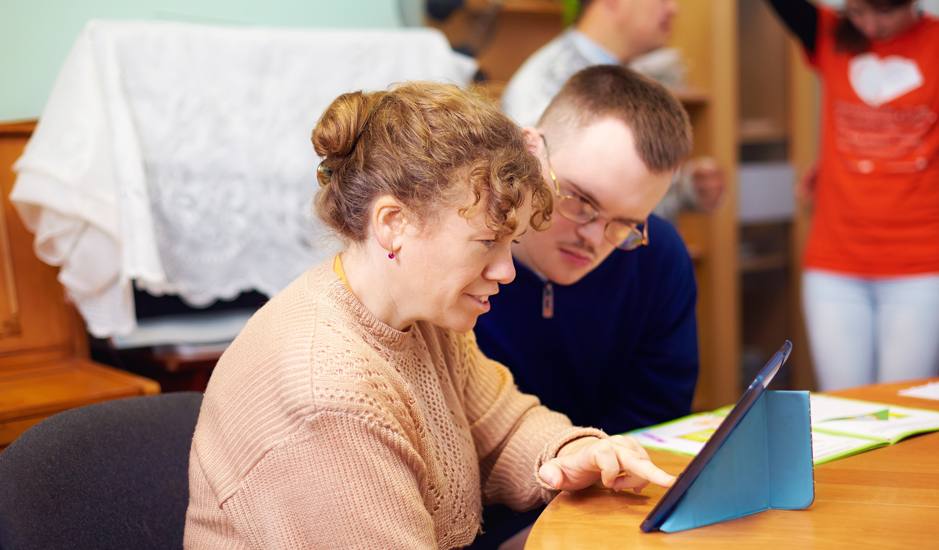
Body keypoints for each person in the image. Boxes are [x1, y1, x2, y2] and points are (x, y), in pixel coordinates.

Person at [183, 81, 676, 549]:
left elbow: (503, 428)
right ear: (394, 223)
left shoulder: (421, 317)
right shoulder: (327, 397)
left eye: (512, 243)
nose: (506, 271)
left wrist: (571, 453)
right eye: (487, 242)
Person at [758, 0, 939, 390]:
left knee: (906, 409)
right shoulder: (829, 33)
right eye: (858, 9)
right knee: (843, 407)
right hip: (835, 263)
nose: (871, 26)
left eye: (884, 10)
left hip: (922, 263)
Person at [475, 65, 697, 436]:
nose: (595, 238)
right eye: (579, 200)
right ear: (530, 148)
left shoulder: (658, 257)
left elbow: (655, 420)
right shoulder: (457, 253)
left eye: (626, 223)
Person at [501, 0, 724, 221]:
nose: (674, 8)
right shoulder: (550, 84)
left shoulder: (632, 77)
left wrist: (684, 186)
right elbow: (547, 203)